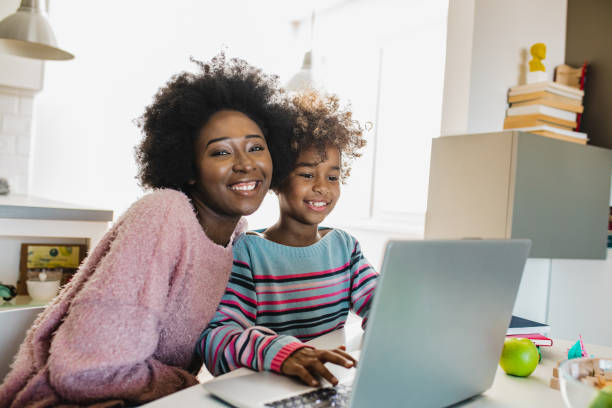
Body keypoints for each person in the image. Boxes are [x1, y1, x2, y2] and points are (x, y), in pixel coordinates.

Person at [0, 54, 295, 408]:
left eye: (256, 147)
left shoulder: (237, 238)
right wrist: (191, 385)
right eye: (220, 152)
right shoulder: (164, 214)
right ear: (189, 167)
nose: (246, 164)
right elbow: (87, 374)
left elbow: (223, 336)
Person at [196, 90, 378, 387]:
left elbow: (381, 302)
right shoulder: (249, 253)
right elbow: (215, 342)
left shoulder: (345, 248)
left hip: (328, 384)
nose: (322, 188)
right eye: (307, 175)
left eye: (333, 177)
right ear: (277, 179)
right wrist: (283, 352)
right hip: (272, 386)